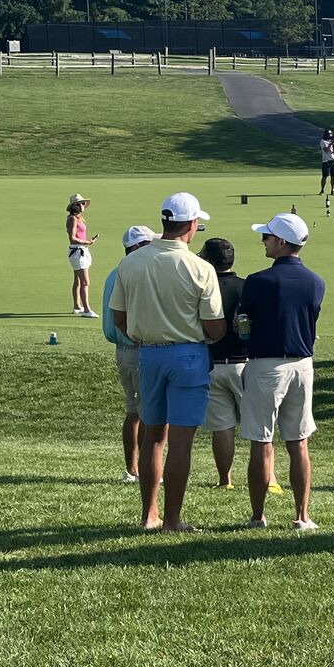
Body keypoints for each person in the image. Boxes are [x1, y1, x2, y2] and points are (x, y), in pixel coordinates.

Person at [109, 191, 226, 532]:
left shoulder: (131, 262)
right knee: (181, 441)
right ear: (191, 224)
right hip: (188, 354)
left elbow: (119, 317)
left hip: (148, 354)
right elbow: (215, 326)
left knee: (153, 437)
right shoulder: (200, 267)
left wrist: (142, 336)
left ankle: (149, 515)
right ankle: (172, 519)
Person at [240, 213, 326, 530]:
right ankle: (302, 515)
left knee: (263, 443)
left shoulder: (258, 281)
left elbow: (244, 325)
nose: (263, 241)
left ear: (281, 242)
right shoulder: (316, 282)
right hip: (302, 366)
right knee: (298, 441)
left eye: (267, 237)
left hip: (265, 365)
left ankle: (258, 515)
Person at [101, 225, 156, 482]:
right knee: (147, 412)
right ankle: (145, 468)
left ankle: (132, 469)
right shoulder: (135, 273)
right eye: (146, 245)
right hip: (138, 349)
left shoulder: (114, 273)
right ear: (135, 248)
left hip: (122, 350)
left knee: (133, 410)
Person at [198, 237, 250, 490]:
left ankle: (225, 480)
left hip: (213, 363)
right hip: (244, 363)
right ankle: (268, 476)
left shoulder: (202, 285)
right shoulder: (247, 286)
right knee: (257, 426)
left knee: (222, 426)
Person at [65, 194, 98, 316]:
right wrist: (89, 242)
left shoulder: (80, 218)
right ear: (73, 206)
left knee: (78, 280)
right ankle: (87, 309)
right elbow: (72, 238)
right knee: (85, 282)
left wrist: (87, 242)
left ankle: (77, 306)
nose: (81, 206)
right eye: (78, 204)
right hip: (77, 251)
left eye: (82, 203)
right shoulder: (72, 219)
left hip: (82, 250)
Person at [319, 129, 334, 198]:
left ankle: (332, 190)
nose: (330, 135)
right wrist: (331, 144)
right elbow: (326, 150)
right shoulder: (323, 141)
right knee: (325, 176)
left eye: (331, 134)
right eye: (328, 134)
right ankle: (322, 190)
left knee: (333, 176)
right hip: (326, 161)